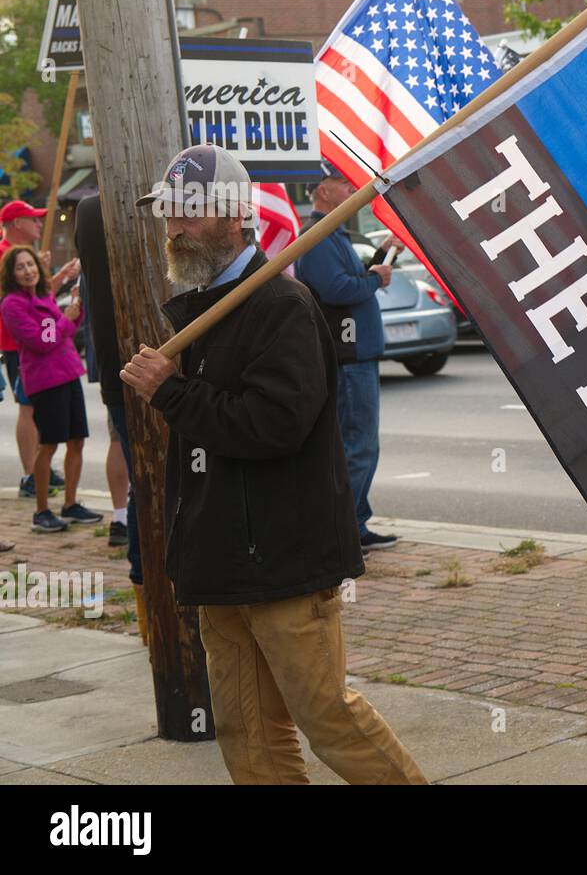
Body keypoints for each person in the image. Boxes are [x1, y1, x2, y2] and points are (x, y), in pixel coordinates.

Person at [122, 143, 425, 784]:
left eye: (188, 213)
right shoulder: (203, 309)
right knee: (248, 734)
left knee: (327, 720)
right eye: (168, 213)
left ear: (234, 217)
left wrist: (171, 392)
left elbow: (272, 426)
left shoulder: (283, 308)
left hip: (285, 560)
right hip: (220, 562)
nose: (173, 227)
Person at [296, 161, 398, 553]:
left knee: (355, 444)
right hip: (349, 356)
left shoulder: (331, 235)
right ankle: (343, 530)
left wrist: (379, 256)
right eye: (342, 183)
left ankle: (353, 522)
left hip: (355, 354)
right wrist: (375, 279)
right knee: (359, 446)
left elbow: (342, 279)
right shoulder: (320, 237)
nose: (350, 190)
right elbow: (337, 289)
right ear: (323, 190)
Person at [75, 195, 144, 636]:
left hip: (134, 371)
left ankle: (151, 592)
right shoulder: (100, 208)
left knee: (153, 489)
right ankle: (149, 595)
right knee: (150, 488)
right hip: (131, 370)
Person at [0, 245, 101, 532]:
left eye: (31, 265)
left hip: (68, 373)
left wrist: (75, 309)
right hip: (45, 381)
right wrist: (67, 318)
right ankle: (41, 511)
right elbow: (43, 340)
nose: (28, 271)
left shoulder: (41, 295)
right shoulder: (12, 305)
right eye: (20, 267)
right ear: (11, 274)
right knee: (49, 445)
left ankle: (70, 504)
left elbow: (59, 329)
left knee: (77, 440)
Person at [0, 200, 79, 498]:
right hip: (16, 344)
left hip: (40, 344)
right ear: (17, 223)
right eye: (33, 219)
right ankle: (31, 475)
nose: (39, 224)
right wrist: (36, 269)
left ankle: (39, 470)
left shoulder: (23, 255)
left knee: (36, 408)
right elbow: (16, 300)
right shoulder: (4, 255)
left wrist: (57, 278)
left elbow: (40, 298)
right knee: (27, 406)